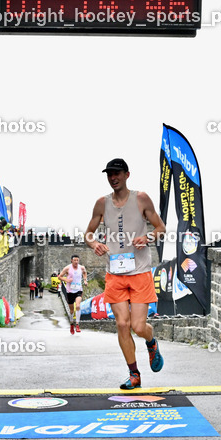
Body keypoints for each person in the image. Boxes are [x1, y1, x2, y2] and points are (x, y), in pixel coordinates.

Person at [85, 158, 166, 390]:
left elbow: (161, 228)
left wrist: (148, 237)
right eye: (109, 174)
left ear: (127, 174)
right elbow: (88, 233)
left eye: (117, 173)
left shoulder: (141, 198)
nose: (113, 178)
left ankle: (151, 342)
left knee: (138, 327)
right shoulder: (101, 203)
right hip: (115, 273)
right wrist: (94, 245)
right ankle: (134, 374)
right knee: (122, 324)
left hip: (139, 271)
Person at [58, 255, 88, 334]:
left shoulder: (81, 268)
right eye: (74, 260)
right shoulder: (67, 268)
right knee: (71, 310)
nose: (76, 262)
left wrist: (85, 280)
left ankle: (77, 324)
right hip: (70, 291)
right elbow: (59, 277)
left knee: (78, 306)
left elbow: (85, 273)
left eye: (77, 260)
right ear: (71, 260)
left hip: (78, 289)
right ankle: (72, 323)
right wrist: (67, 280)